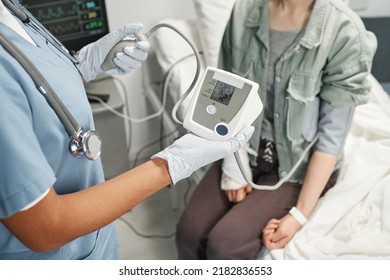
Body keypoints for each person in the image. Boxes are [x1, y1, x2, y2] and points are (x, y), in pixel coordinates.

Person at [0, 0, 254, 260]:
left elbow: (34, 82)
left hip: (94, 240)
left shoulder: (10, 9)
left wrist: (82, 68)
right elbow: (46, 228)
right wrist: (170, 164)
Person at [175, 0, 377, 259]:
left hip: (297, 165)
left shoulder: (344, 31)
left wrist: (299, 214)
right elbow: (224, 91)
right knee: (188, 233)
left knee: (225, 244)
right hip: (243, 148)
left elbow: (331, 138)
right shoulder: (244, 11)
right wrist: (233, 166)